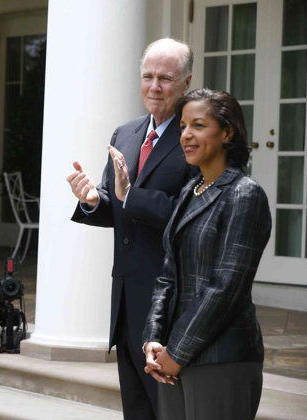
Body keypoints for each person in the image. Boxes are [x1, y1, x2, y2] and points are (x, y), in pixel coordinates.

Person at [66, 38, 197, 419]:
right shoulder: (124, 133)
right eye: (148, 76)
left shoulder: (193, 137)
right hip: (124, 299)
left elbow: (192, 214)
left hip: (168, 305)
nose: (154, 86)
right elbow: (118, 207)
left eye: (165, 78)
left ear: (187, 82)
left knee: (168, 410)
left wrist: (131, 195)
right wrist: (93, 200)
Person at [142, 89, 270, 419]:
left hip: (222, 356)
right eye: (183, 126)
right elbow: (166, 275)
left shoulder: (245, 194)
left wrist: (178, 353)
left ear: (227, 133)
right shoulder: (190, 190)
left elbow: (225, 288)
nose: (186, 135)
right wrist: (154, 339)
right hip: (172, 355)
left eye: (198, 125)